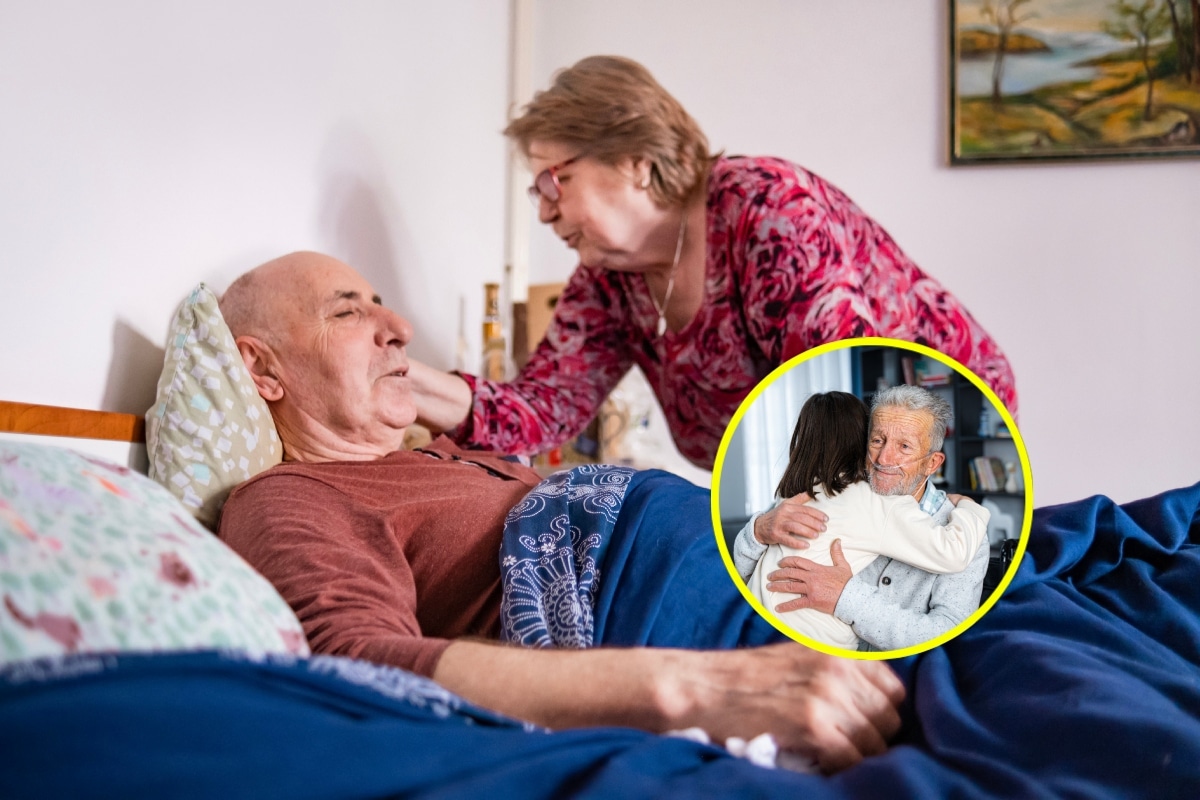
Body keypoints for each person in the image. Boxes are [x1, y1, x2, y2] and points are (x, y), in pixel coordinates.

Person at [214, 251, 904, 773]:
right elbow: (358, 662)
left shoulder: (443, 454)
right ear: (262, 369)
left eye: (381, 306)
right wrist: (697, 688)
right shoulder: (292, 495)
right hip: (673, 609)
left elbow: (521, 414)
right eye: (346, 313)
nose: (398, 328)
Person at [407, 54, 1017, 470]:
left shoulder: (768, 211)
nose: (544, 212)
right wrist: (399, 379)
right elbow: (538, 412)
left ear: (634, 160)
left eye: (552, 181)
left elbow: (849, 402)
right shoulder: (608, 285)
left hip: (946, 433)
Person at [740, 385, 991, 652]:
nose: (884, 459)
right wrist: (757, 530)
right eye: (877, 440)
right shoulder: (810, 499)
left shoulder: (967, 534)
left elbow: (948, 636)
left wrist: (845, 598)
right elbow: (744, 573)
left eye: (904, 446)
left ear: (932, 463)